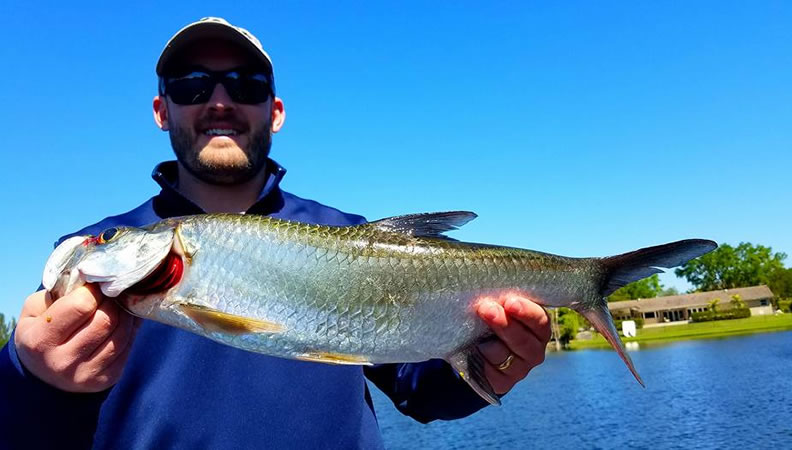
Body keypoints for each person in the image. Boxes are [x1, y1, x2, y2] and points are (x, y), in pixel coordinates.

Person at [0, 17, 551, 449]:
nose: (220, 101)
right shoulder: (93, 250)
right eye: (192, 86)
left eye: (245, 84)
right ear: (161, 110)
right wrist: (31, 379)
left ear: (276, 110)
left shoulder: (348, 234)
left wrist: (490, 367)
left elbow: (421, 389)